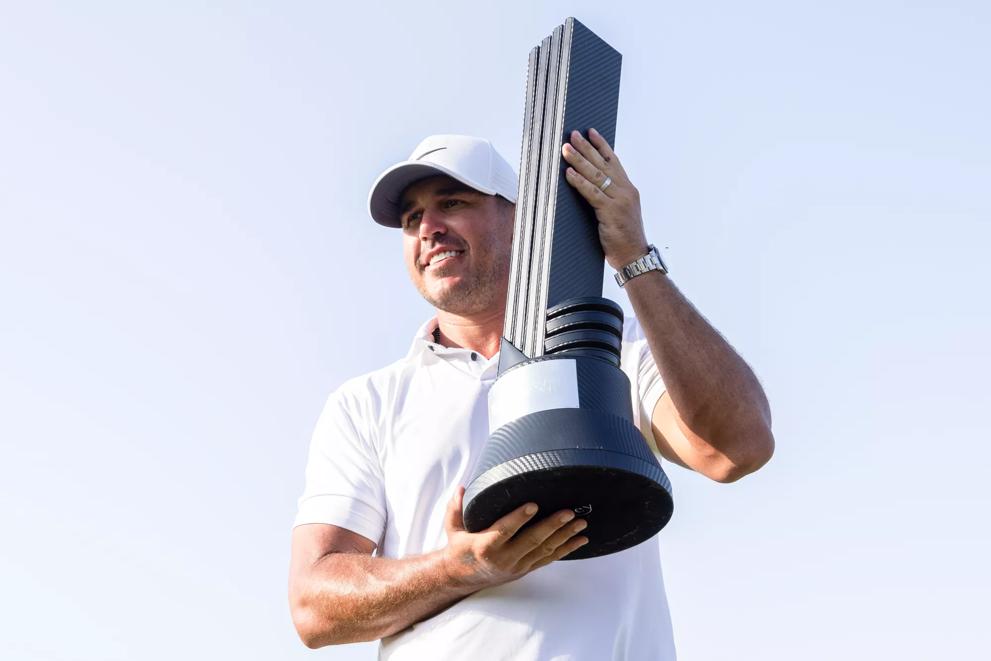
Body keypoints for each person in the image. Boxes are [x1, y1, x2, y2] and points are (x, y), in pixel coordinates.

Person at [289, 132, 774, 660]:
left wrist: (633, 257)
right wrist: (462, 569)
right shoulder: (368, 403)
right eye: (411, 219)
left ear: (523, 220)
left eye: (453, 202)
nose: (428, 228)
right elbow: (315, 607)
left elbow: (735, 448)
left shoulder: (610, 349)